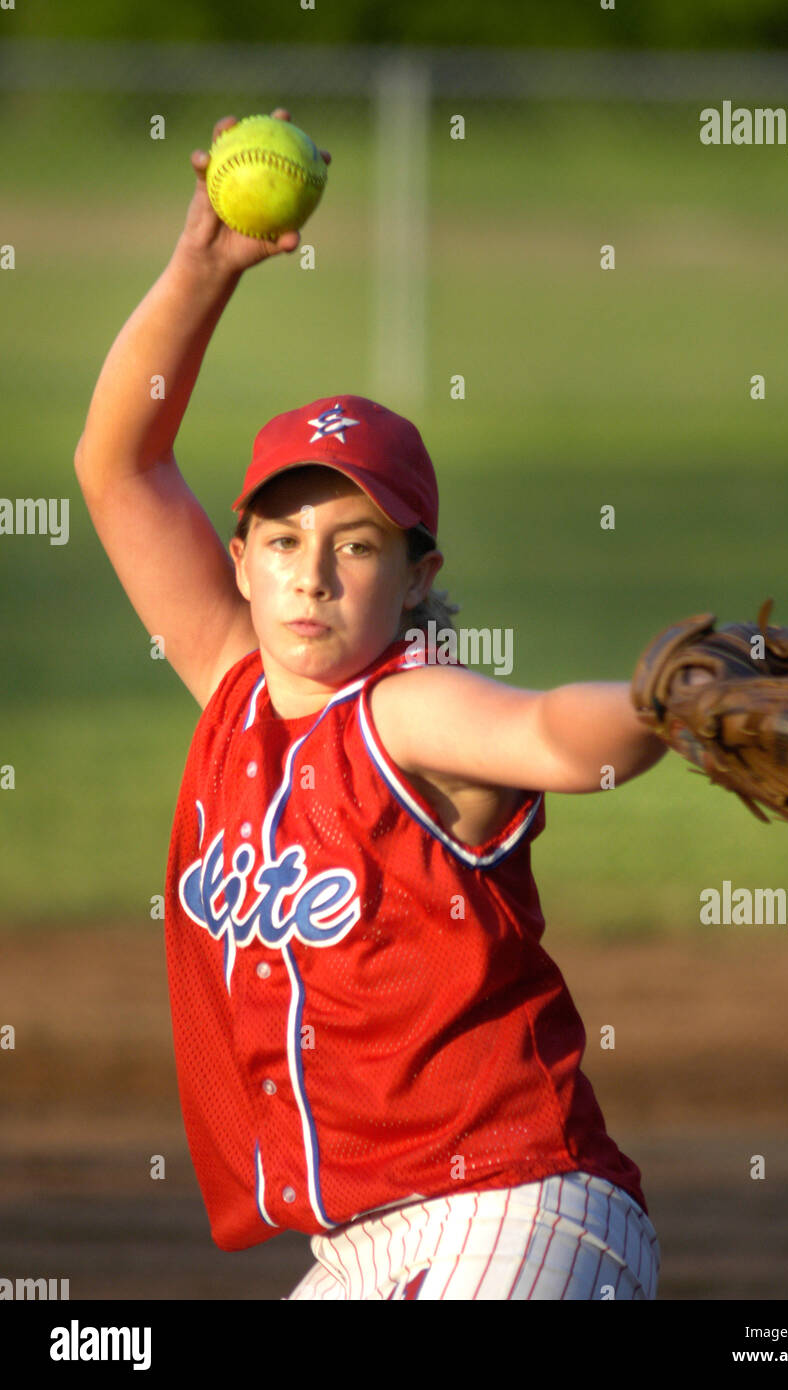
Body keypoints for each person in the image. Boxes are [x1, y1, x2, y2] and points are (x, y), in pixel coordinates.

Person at [74, 111, 667, 1301]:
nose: (311, 571)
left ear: (416, 578)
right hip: (360, 1247)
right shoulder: (234, 689)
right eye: (283, 537)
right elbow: (118, 464)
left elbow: (550, 731)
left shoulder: (407, 713)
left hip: (514, 1206)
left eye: (355, 544)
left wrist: (662, 703)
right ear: (236, 557)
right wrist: (201, 267)